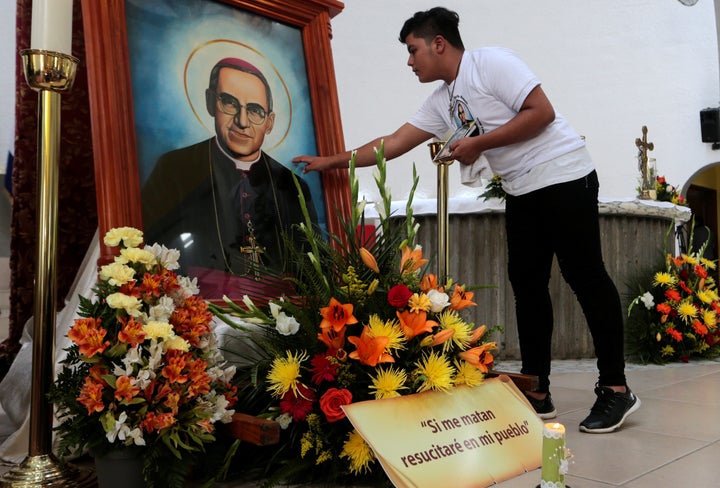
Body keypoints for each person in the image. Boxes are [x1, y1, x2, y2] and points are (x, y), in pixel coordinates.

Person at [293, 7, 639, 434]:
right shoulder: (442, 100)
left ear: (439, 43)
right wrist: (329, 161)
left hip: (564, 174)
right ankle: (537, 390)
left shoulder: (491, 63)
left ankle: (616, 389)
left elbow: (541, 112)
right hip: (521, 190)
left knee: (585, 277)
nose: (409, 61)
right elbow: (395, 142)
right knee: (527, 287)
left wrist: (478, 144)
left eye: (413, 49)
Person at [142, 57, 318, 286]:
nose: (242, 121)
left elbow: (311, 268)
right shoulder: (174, 169)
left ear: (270, 122)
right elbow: (149, 252)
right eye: (230, 103)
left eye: (255, 110)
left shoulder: (293, 186)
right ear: (210, 102)